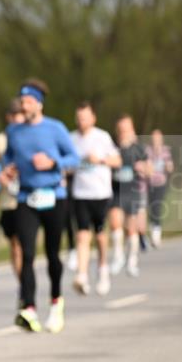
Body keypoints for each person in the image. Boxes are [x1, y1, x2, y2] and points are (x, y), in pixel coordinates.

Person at [0, 79, 79, 333]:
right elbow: (8, 158)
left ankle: (56, 303)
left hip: (54, 196)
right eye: (21, 101)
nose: (24, 105)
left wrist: (52, 162)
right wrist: (7, 170)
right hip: (26, 198)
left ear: (39, 103)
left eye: (28, 101)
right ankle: (29, 307)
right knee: (27, 253)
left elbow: (74, 158)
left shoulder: (56, 128)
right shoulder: (14, 132)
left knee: (53, 253)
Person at [68, 102, 121, 296]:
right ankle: (82, 275)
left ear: (93, 118)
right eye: (78, 118)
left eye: (84, 117)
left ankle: (102, 269)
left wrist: (99, 159)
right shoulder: (71, 138)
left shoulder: (102, 137)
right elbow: (66, 165)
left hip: (100, 194)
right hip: (81, 194)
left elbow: (117, 161)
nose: (81, 121)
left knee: (99, 235)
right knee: (82, 235)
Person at [0, 99, 26, 280]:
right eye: (15, 115)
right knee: (16, 245)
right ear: (8, 117)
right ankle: (23, 288)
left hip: (31, 197)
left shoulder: (35, 135)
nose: (18, 119)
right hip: (8, 200)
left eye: (21, 115)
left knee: (27, 245)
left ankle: (28, 285)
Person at [108, 116, 150, 277]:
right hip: (116, 190)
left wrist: (143, 167)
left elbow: (150, 170)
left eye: (126, 128)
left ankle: (132, 260)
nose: (123, 132)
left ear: (132, 129)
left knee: (131, 229)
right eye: (121, 129)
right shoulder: (112, 146)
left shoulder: (139, 148)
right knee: (115, 223)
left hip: (132, 191)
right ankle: (118, 256)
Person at [145, 129, 174, 248]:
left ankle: (156, 236)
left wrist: (168, 166)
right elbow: (145, 165)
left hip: (161, 183)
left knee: (157, 207)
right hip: (149, 184)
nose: (156, 140)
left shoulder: (165, 151)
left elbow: (170, 167)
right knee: (150, 208)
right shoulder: (147, 151)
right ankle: (152, 231)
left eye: (158, 138)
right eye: (154, 138)